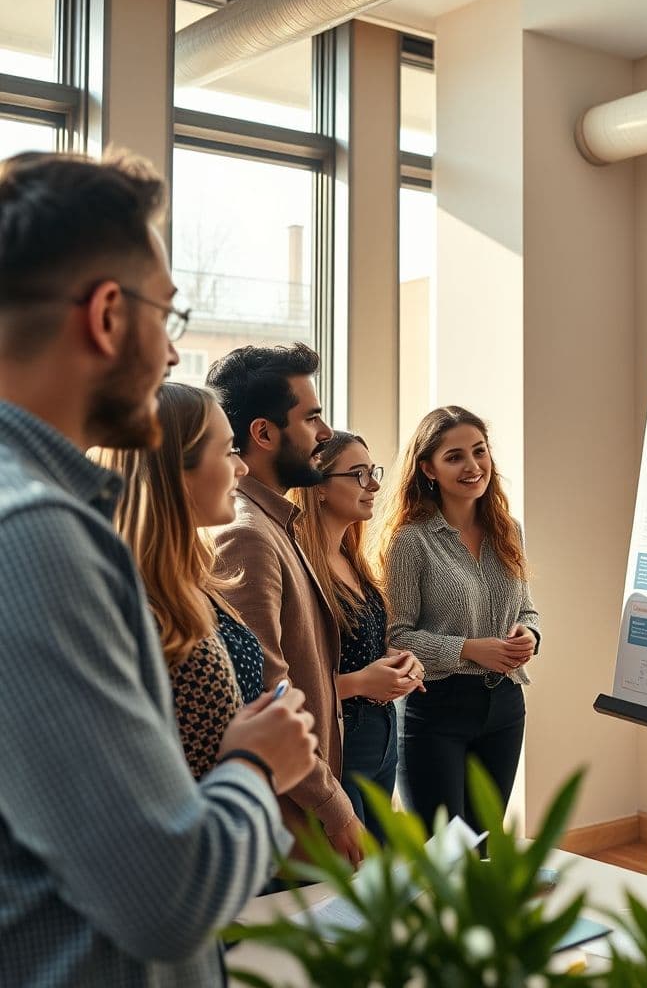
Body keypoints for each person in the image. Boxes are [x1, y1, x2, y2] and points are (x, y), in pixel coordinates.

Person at [0, 151, 317, 987]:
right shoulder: (37, 535)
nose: (174, 356)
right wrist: (258, 762)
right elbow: (169, 895)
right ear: (108, 316)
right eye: (167, 318)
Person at [208, 345, 364, 867]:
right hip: (290, 829)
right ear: (264, 433)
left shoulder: (277, 524)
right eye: (312, 416)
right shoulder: (249, 536)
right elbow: (267, 693)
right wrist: (332, 804)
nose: (324, 433)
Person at [380, 405, 541, 831]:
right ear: (428, 469)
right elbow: (396, 639)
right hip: (435, 710)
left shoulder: (509, 530)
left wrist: (530, 635)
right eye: (454, 457)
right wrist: (470, 650)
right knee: (444, 854)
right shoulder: (409, 542)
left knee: (483, 847)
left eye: (479, 451)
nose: (473, 466)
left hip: (506, 706)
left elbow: (526, 607)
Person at [100, 382, 267, 778]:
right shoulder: (136, 606)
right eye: (228, 452)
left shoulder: (189, 579)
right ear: (176, 471)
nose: (242, 468)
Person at [292, 431, 425, 841]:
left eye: (373, 472)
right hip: (338, 746)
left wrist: (403, 662)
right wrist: (362, 683)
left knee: (382, 874)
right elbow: (283, 684)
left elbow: (371, 643)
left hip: (383, 736)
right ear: (318, 489)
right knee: (352, 878)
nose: (375, 485)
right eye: (359, 474)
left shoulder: (354, 558)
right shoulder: (298, 565)